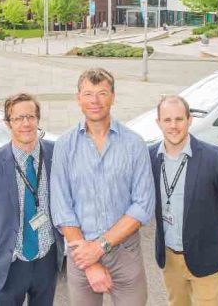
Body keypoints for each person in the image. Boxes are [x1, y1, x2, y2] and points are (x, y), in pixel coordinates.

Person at [51, 68, 155, 306]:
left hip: (125, 254)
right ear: (78, 98)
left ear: (113, 96)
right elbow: (61, 207)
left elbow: (142, 205)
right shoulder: (65, 145)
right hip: (80, 255)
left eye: (102, 93)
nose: (95, 101)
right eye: (88, 94)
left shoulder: (134, 144)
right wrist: (89, 260)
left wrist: (99, 247)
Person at [149, 95, 218, 306]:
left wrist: (205, 223)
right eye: (167, 120)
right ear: (158, 123)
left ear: (189, 120)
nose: (173, 126)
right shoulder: (150, 157)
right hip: (169, 257)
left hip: (205, 253)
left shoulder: (214, 158)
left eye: (179, 119)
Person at [0, 93, 64, 306]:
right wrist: (6, 232)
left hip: (46, 257)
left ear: (38, 119)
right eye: (18, 118)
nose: (26, 123)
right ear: (8, 123)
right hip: (11, 260)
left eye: (31, 117)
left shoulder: (56, 153)